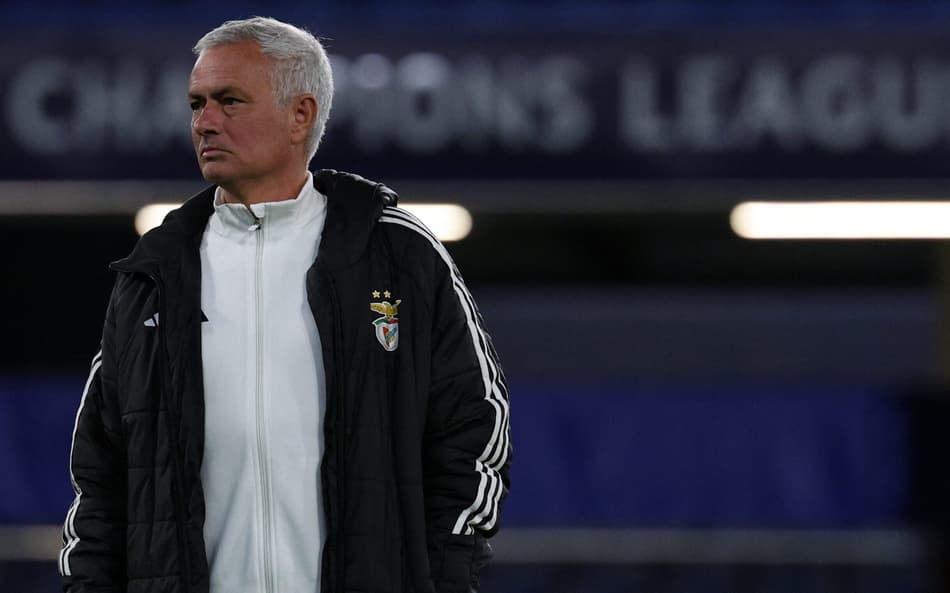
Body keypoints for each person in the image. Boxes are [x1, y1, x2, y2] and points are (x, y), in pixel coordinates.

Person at [59, 16, 511, 593]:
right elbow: (101, 474)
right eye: (196, 103)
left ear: (300, 115)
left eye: (229, 101)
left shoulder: (397, 253)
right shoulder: (156, 272)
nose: (204, 122)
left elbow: (476, 427)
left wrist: (442, 576)